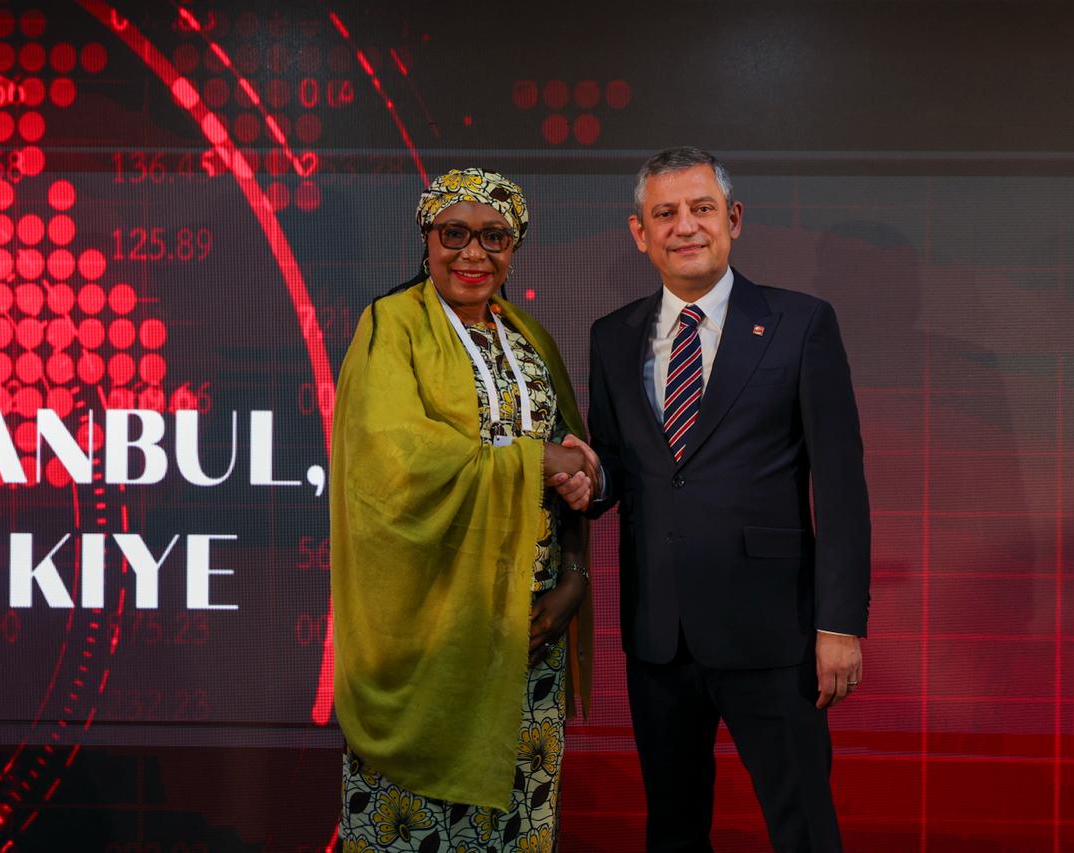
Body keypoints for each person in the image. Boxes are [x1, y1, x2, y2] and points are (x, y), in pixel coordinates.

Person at [561, 147, 870, 851]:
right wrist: (590, 480)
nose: (685, 226)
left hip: (776, 634)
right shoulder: (612, 337)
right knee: (673, 830)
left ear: (733, 219)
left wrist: (839, 624)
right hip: (659, 636)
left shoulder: (800, 323)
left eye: (701, 209)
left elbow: (842, 487)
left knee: (804, 828)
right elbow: (619, 466)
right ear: (640, 233)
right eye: (665, 213)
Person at [330, 168, 595, 850]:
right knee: (413, 827)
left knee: (516, 824)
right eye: (455, 234)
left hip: (529, 633)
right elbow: (395, 461)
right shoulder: (391, 325)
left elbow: (572, 458)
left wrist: (573, 576)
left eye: (494, 237)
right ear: (426, 239)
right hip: (429, 633)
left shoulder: (529, 336)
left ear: (515, 247)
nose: (473, 254)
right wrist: (534, 462)